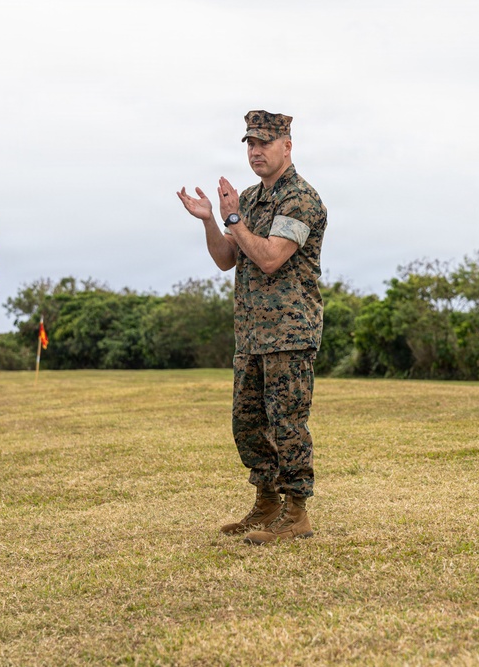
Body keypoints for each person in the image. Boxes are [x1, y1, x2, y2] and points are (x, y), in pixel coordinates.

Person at [177, 110, 327, 544]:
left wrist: (233, 220)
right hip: (252, 334)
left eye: (264, 142)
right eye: (249, 143)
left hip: (289, 332)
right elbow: (228, 259)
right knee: (247, 423)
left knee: (287, 423)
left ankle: (296, 512)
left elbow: (269, 257)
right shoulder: (248, 199)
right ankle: (266, 504)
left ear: (287, 146)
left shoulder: (300, 199)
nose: (255, 151)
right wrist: (210, 219)